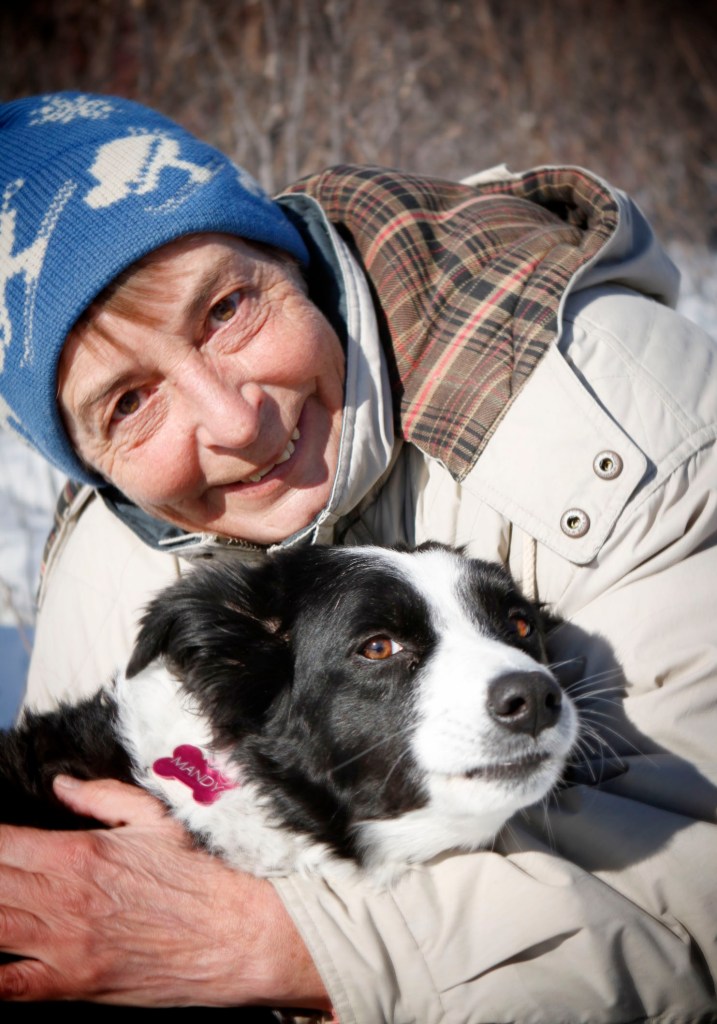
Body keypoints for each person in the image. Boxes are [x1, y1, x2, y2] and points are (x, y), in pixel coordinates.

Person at [0, 90, 715, 1023]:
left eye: (225, 309)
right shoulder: (108, 561)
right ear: (86, 459)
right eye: (129, 403)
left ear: (288, 263)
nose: (233, 422)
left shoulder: (625, 425)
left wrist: (272, 943)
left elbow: (697, 894)